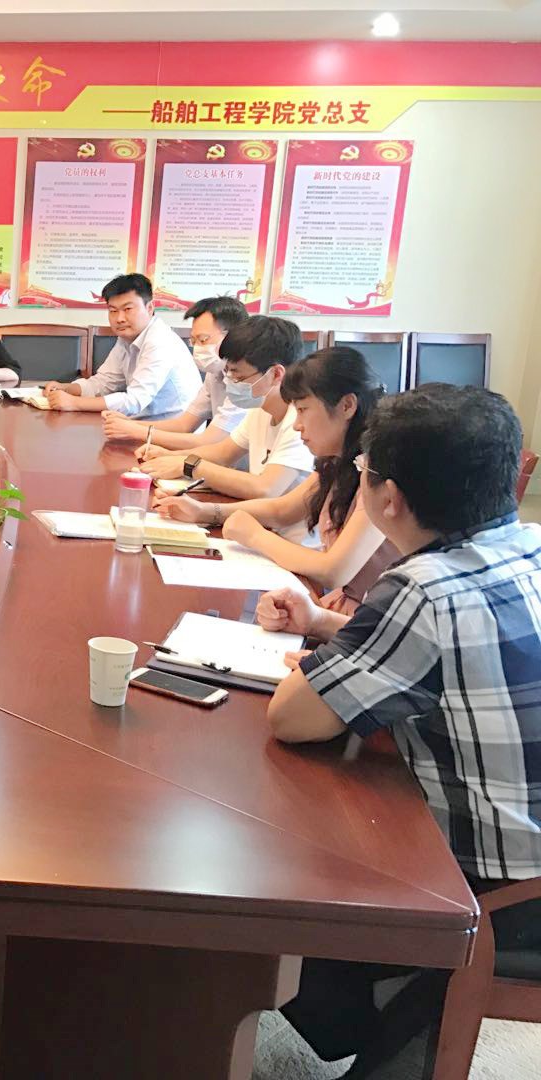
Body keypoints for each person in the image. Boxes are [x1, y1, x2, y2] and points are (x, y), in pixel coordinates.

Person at [260, 384, 541, 1077]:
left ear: (387, 498)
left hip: (506, 898)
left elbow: (292, 719)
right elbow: (454, 645)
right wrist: (328, 627)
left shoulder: (422, 589)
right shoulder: (529, 547)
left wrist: (324, 664)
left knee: (298, 858)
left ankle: (387, 1011)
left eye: (364, 472)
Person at [156, 348, 398, 612]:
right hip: (343, 607)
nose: (297, 424)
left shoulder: (378, 472)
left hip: (371, 616)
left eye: (303, 410)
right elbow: (284, 509)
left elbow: (333, 570)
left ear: (347, 406)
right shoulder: (338, 458)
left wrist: (255, 536)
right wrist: (205, 511)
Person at [136, 315, 314, 539]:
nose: (229, 380)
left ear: (276, 374)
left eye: (237, 374)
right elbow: (223, 453)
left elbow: (265, 489)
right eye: (227, 371)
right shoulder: (260, 408)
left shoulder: (301, 420)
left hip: (290, 542)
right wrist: (168, 455)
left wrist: (189, 465)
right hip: (258, 528)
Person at [101, 295, 249, 449]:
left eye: (203, 340)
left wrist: (135, 431)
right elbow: (184, 425)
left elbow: (209, 441)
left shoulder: (247, 381)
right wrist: (129, 424)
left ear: (233, 336)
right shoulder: (215, 372)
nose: (198, 348)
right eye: (194, 341)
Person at [42, 273, 200, 416]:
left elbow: (134, 400)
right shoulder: (127, 338)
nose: (119, 319)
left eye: (128, 309)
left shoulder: (160, 342)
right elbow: (105, 382)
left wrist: (74, 403)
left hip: (171, 431)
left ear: (150, 308)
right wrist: (67, 389)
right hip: (141, 424)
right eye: (113, 311)